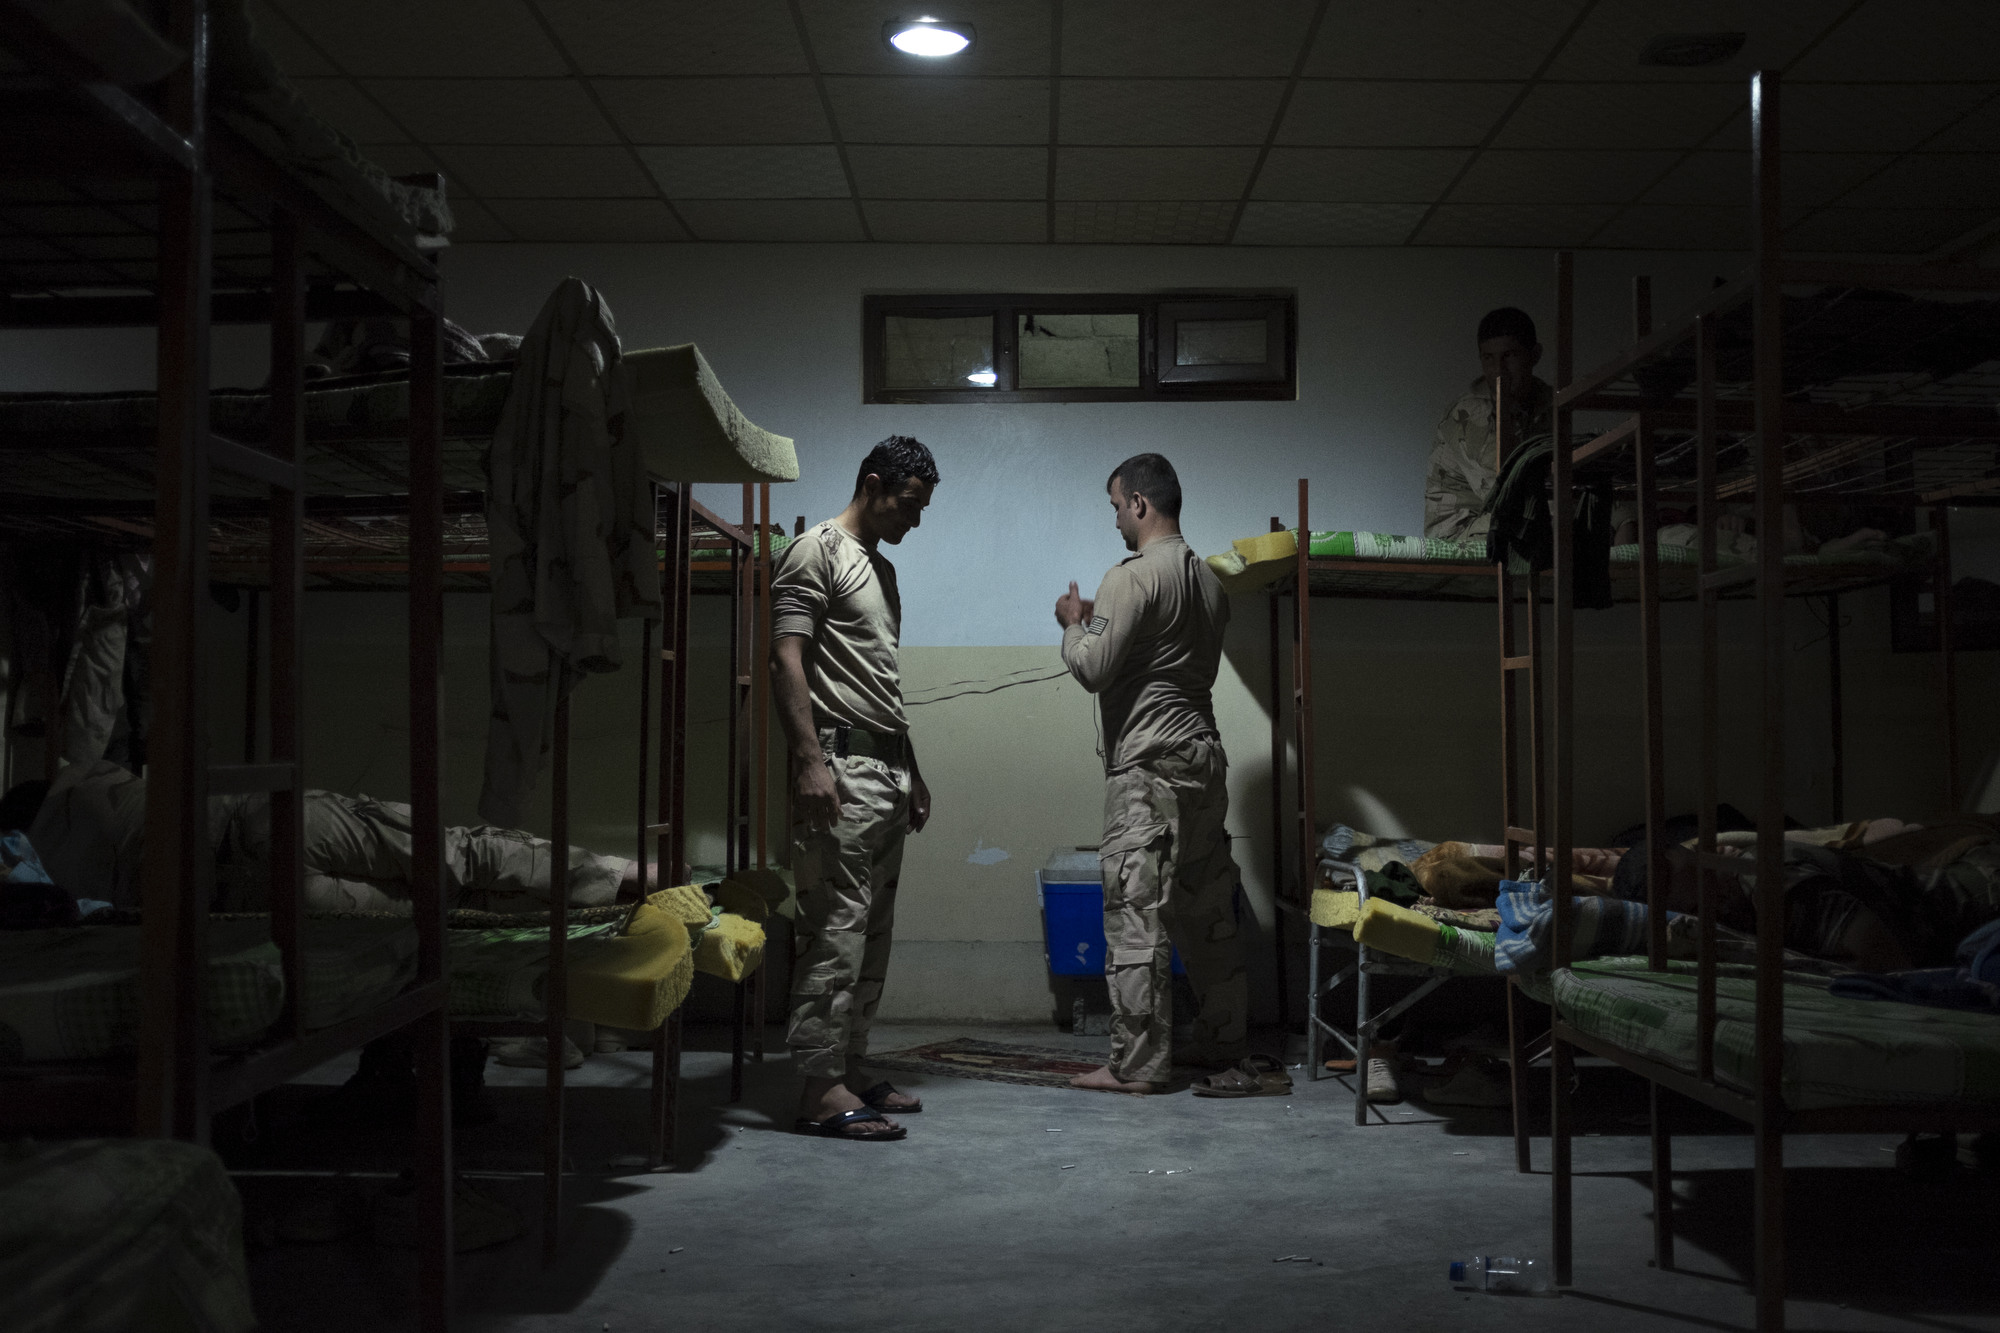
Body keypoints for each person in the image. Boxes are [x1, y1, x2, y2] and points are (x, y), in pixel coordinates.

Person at [1054, 453, 1248, 1094]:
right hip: (1204, 761)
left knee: (1137, 916)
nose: (1116, 520)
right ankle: (1222, 1044)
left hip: (1149, 772)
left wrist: (1073, 625)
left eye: (1116, 507)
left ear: (1139, 503)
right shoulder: (1210, 581)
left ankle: (1136, 1066)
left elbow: (1093, 669)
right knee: (1205, 916)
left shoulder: (1131, 578)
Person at [773, 435, 937, 1141]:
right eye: (909, 503)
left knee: (872, 932)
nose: (916, 519)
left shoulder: (883, 570)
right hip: (840, 771)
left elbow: (878, 683)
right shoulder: (815, 550)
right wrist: (810, 762)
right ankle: (817, 1087)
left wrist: (913, 768)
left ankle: (852, 1062)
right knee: (834, 932)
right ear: (872, 483)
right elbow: (787, 658)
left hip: (886, 771)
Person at [1424, 306, 1553, 542]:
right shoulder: (1470, 414)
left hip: (1510, 517)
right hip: (1461, 532)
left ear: (1534, 355)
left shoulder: (1547, 401)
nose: (1498, 371)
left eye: (1510, 356)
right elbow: (1506, 492)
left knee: (1618, 512)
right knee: (1557, 517)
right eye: (1488, 358)